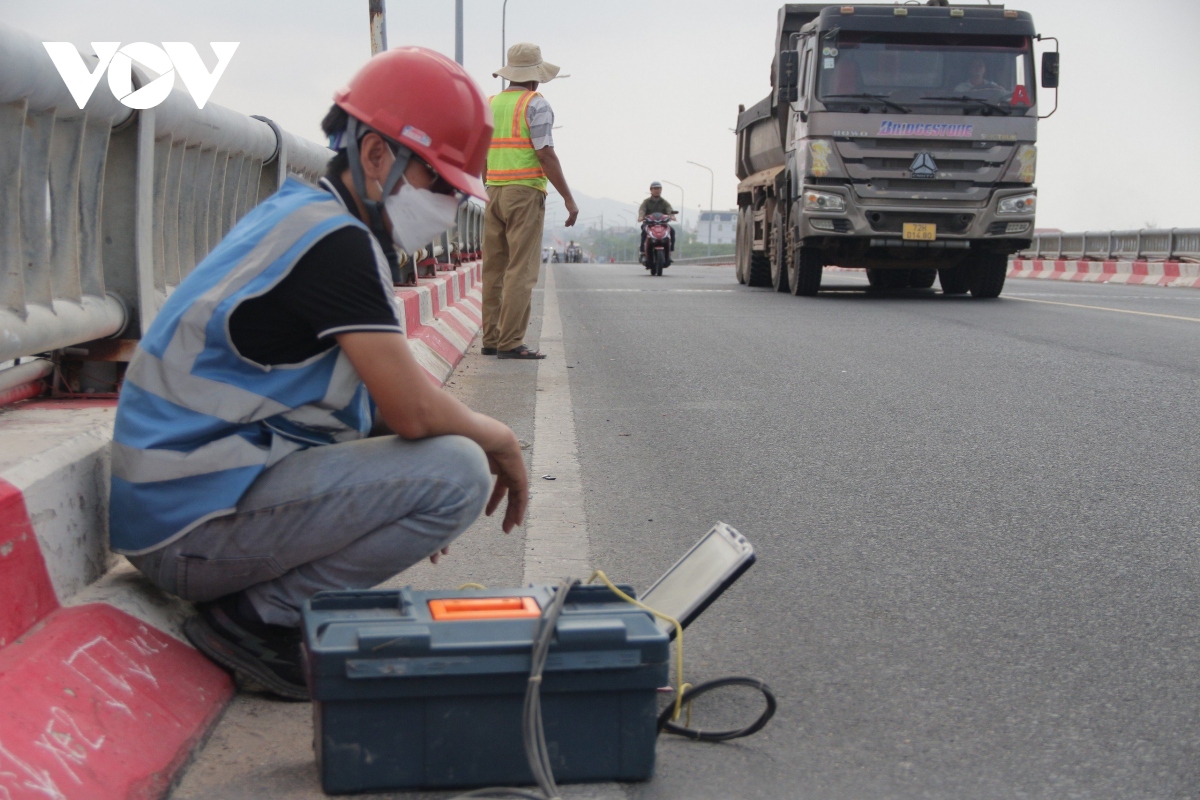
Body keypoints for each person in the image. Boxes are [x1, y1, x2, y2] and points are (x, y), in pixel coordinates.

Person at [109, 47, 528, 701]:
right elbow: (414, 413)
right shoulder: (336, 246)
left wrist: (387, 499)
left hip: (177, 505)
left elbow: (378, 408)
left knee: (438, 467)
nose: (447, 205)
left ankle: (259, 610)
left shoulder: (309, 218)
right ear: (377, 157)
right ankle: (254, 623)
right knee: (460, 471)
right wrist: (496, 438)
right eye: (440, 183)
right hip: (188, 527)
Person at [481, 43, 578, 360]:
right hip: (524, 192)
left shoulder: (491, 103)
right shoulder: (536, 104)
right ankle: (510, 343)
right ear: (536, 77)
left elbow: (481, 150)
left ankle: (491, 339)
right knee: (520, 270)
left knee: (494, 270)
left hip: (493, 190)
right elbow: (545, 154)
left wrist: (487, 183)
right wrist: (568, 198)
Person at [637, 181, 677, 262]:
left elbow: (669, 209)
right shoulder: (646, 202)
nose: (656, 190)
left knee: (672, 231)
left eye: (658, 188)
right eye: (655, 188)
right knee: (644, 232)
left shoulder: (664, 202)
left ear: (661, 190)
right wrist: (641, 216)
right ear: (651, 190)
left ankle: (670, 252)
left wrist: (672, 216)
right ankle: (643, 252)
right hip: (649, 224)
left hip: (662, 224)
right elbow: (642, 209)